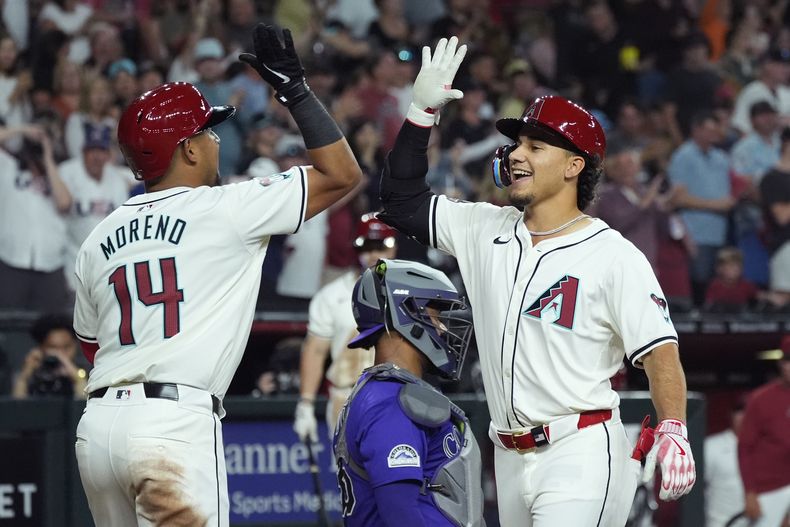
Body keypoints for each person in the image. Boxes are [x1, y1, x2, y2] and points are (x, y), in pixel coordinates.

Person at [378, 36, 696, 525]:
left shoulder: (613, 254)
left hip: (581, 449)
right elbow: (400, 201)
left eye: (535, 145)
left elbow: (659, 352)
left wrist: (674, 424)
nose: (516, 155)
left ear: (574, 166)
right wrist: (420, 113)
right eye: (517, 144)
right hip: (506, 455)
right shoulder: (484, 227)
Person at [72, 23, 362, 526]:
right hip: (170, 426)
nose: (214, 139)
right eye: (207, 131)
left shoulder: (100, 234)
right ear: (187, 149)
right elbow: (342, 173)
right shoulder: (227, 208)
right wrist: (294, 90)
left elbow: (93, 347)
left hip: (98, 430)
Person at [332, 258, 483, 526]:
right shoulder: (389, 402)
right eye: (434, 315)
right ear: (405, 313)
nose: (442, 328)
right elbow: (399, 511)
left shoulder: (381, 392)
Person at [293, 213, 398, 443]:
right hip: (346, 395)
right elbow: (316, 350)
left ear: (393, 247)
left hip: (397, 394)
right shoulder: (332, 295)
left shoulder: (408, 291)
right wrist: (306, 404)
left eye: (381, 246)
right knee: (347, 476)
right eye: (367, 247)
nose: (374, 254)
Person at [737, 337, 790, 527]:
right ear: (781, 364)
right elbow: (745, 448)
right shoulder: (760, 399)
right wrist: (750, 492)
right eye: (787, 361)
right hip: (768, 490)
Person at [12, 313, 87, 399]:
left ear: (75, 345)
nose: (59, 354)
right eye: (53, 348)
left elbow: (85, 405)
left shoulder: (84, 371)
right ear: (41, 347)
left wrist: (77, 379)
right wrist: (24, 378)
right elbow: (16, 407)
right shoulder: (32, 373)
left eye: (66, 347)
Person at [704, 399, 745, 527]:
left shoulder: (768, 449)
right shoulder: (711, 446)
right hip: (720, 523)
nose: (745, 416)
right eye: (739, 411)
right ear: (731, 415)